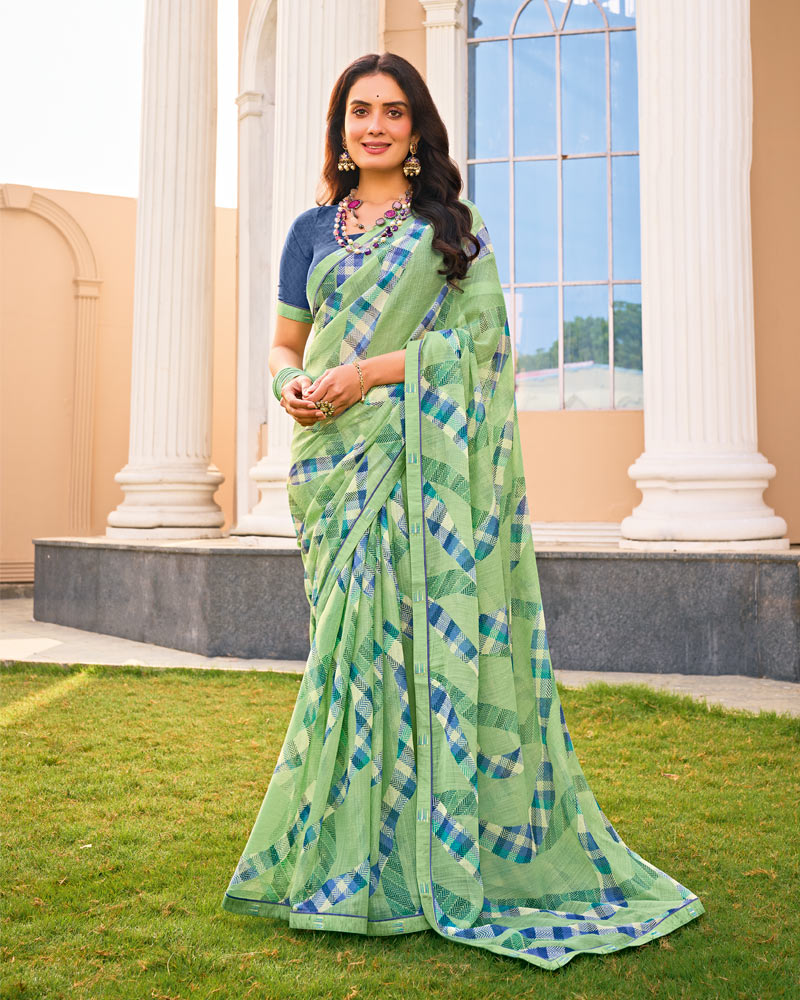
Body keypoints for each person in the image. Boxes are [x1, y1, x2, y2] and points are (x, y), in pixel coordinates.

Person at [220, 51, 704, 970]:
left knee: (418, 651)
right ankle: (353, 857)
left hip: (417, 461)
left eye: (392, 111)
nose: (374, 126)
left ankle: (427, 856)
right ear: (340, 128)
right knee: (349, 657)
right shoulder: (310, 231)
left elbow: (483, 348)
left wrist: (369, 372)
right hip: (335, 464)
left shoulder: (453, 227)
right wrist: (291, 387)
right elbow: (284, 342)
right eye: (359, 111)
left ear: (416, 129)